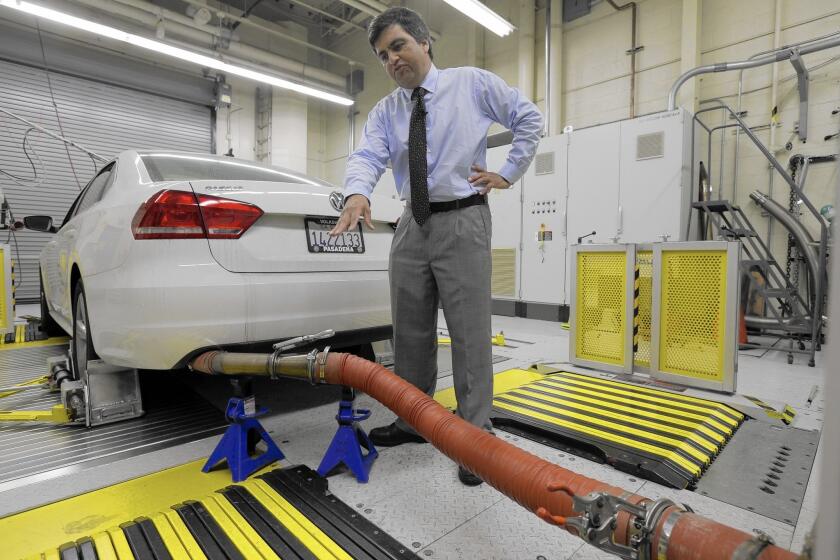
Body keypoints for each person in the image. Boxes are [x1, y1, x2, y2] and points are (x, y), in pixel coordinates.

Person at [330, 6, 542, 486]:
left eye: (399, 46)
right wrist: (359, 190)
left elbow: (529, 118)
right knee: (409, 331)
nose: (392, 60)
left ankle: (474, 437)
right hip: (411, 224)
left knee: (469, 333)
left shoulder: (471, 84)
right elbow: (367, 155)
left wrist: (507, 172)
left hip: (463, 219)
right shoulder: (387, 111)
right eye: (383, 55)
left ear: (424, 43)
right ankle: (412, 419)